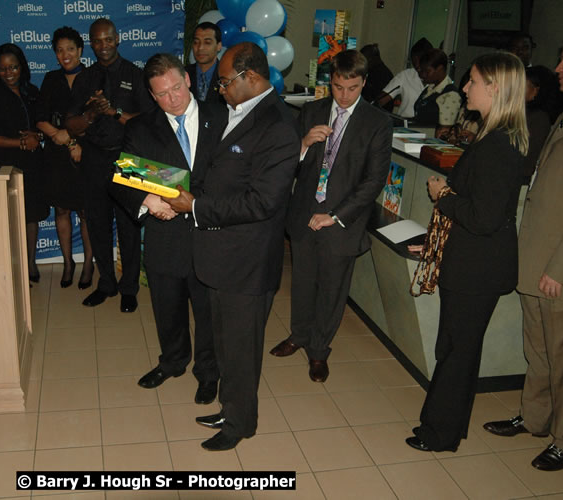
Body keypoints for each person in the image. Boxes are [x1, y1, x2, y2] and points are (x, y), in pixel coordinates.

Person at [165, 42, 300, 451]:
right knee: (224, 342)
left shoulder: (278, 125)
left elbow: (264, 201)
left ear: (252, 78)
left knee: (242, 349)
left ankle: (241, 423)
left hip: (247, 262)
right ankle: (229, 406)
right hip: (221, 256)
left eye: (224, 82)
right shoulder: (236, 111)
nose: (219, 89)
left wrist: (197, 206)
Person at [405, 51, 529, 453]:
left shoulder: (498, 145)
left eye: (472, 80)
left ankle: (439, 434)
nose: (465, 87)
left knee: (458, 352)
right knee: (459, 348)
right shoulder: (495, 135)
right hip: (475, 264)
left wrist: (444, 196)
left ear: (493, 87)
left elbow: (484, 217)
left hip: (479, 267)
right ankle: (447, 426)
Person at [270, 50, 392, 383]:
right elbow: (286, 164)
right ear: (330, 82)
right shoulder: (312, 110)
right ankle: (299, 335)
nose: (344, 95)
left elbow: (373, 181)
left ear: (364, 83)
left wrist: (335, 216)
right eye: (338, 87)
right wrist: (304, 145)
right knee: (303, 281)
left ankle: (319, 351)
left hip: (341, 221)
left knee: (332, 289)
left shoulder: (377, 122)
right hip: (305, 214)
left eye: (352, 88)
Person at [483, 34, 563, 472]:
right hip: (536, 255)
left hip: (560, 266)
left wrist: (561, 268)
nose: (559, 68)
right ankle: (535, 418)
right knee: (536, 350)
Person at [114, 53, 225, 403]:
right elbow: (121, 179)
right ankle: (173, 361)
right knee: (167, 308)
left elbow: (235, 175)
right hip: (166, 237)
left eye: (177, 88)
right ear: (151, 95)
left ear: (188, 80)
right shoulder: (140, 128)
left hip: (211, 235)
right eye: (162, 94)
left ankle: (209, 373)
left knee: (209, 313)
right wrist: (148, 201)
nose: (172, 98)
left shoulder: (222, 118)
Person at [65, 18, 155, 312]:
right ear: (90, 43)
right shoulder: (84, 79)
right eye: (97, 41)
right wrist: (91, 114)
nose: (103, 46)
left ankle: (129, 287)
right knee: (97, 224)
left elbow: (147, 124)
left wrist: (114, 111)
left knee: (129, 226)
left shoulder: (135, 75)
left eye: (108, 39)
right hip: (93, 157)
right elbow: (72, 125)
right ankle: (106, 284)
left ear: (118, 39)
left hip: (128, 158)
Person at [0, 43, 49, 283]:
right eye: (3, 68)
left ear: (22, 67)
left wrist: (36, 137)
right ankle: (11, 267)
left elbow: (43, 125)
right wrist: (21, 143)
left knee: (31, 216)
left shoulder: (33, 91)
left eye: (14, 67)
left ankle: (30, 263)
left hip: (35, 164)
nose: (9, 73)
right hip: (8, 165)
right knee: (11, 218)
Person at [36, 27, 94, 289]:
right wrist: (64, 137)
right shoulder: (50, 79)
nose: (65, 54)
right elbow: (39, 118)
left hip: (87, 152)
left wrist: (76, 141)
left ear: (80, 50)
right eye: (59, 50)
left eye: (70, 49)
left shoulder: (93, 78)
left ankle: (89, 263)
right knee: (61, 209)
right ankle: (68, 262)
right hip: (58, 154)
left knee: (85, 211)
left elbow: (97, 118)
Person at [378, 37, 432, 117]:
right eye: (414, 61)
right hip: (405, 126)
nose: (416, 65)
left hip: (430, 128)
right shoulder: (405, 76)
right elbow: (381, 100)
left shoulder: (440, 80)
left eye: (420, 60)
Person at [413, 48, 462, 137]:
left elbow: (445, 133)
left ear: (440, 69)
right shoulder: (430, 88)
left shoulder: (450, 95)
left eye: (427, 71)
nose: (423, 75)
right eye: (422, 71)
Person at [523, 65, 557, 181]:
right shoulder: (521, 112)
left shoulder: (539, 119)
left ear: (536, 90)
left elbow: (529, 162)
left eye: (522, 85)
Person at [185, 22, 223, 105]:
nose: (200, 47)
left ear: (219, 46)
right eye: (196, 42)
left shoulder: (228, 76)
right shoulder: (183, 74)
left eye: (207, 43)